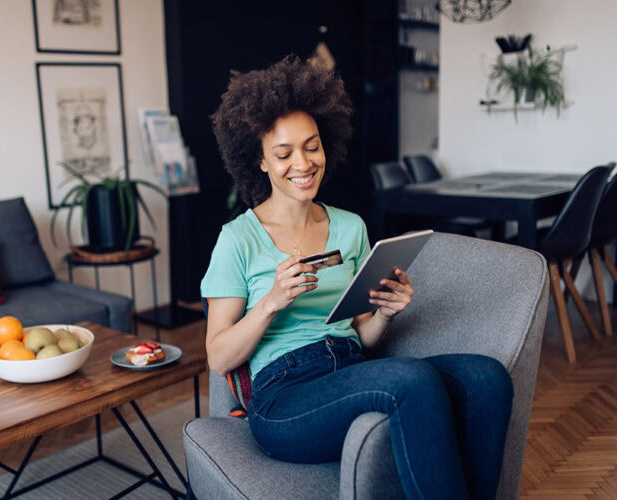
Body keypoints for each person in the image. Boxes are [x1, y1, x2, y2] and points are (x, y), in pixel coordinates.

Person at [201, 55, 513, 500]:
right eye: (283, 153)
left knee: (486, 378)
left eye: (312, 146)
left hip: (350, 368)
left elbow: (364, 335)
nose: (303, 163)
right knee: (408, 380)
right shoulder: (238, 240)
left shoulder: (350, 227)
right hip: (283, 399)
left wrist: (386, 311)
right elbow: (218, 356)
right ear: (261, 162)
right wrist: (270, 301)